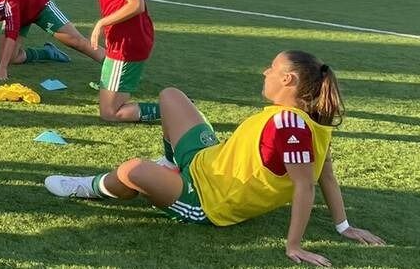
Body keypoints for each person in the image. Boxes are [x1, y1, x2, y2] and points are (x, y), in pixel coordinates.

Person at [42, 51, 386, 267]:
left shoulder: (291, 125)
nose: (265, 71)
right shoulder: (304, 120)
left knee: (133, 170)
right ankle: (170, 166)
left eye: (272, 68)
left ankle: (89, 187)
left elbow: (307, 185)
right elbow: (325, 176)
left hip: (207, 198)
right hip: (206, 161)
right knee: (170, 97)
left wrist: (294, 245)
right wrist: (342, 225)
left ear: (288, 79)